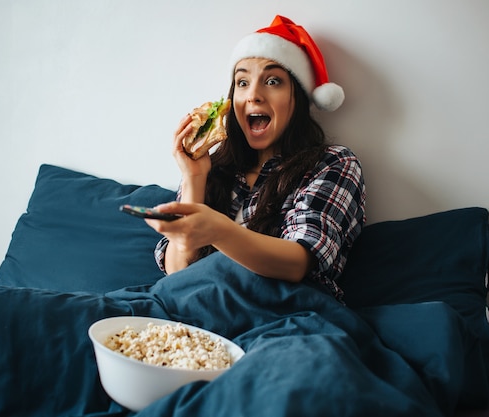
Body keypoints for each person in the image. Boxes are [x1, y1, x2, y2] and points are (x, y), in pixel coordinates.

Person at [146, 15, 366, 301]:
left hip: (284, 317)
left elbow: (298, 262)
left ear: (296, 98)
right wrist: (194, 177)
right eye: (242, 82)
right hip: (196, 313)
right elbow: (177, 274)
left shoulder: (334, 164)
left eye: (273, 81)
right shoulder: (214, 168)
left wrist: (219, 230)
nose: (253, 95)